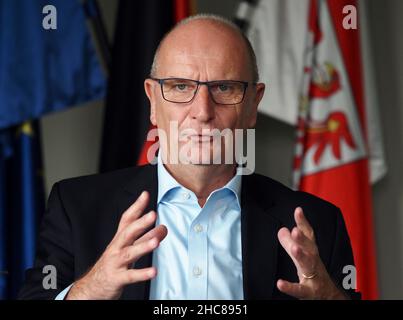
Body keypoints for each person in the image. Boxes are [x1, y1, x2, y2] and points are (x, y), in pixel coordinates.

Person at [19, 14, 360, 300]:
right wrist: (91, 289)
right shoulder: (76, 207)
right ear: (153, 100)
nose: (202, 111)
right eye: (181, 86)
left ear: (253, 104)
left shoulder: (318, 223)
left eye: (224, 88)